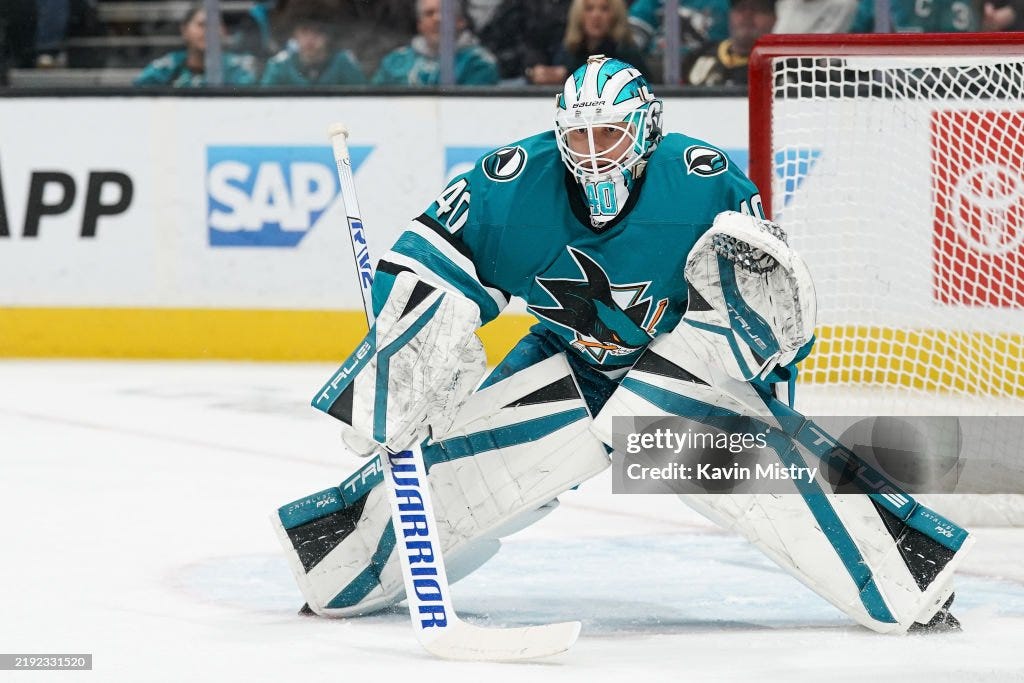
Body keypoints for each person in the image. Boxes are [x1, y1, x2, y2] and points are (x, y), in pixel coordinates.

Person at [275, 56, 970, 635]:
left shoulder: (702, 182)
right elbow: (429, 264)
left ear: (645, 130)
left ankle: (911, 577)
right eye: (578, 138)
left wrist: (757, 404)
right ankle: (339, 558)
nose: (592, 153)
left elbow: (761, 315)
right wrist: (400, 374)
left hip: (673, 365)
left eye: (609, 135)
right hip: (567, 357)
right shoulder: (512, 185)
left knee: (772, 485)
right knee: (464, 474)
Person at [372, 0, 498, 86]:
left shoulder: (478, 63)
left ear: (460, 21)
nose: (438, 19)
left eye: (445, 12)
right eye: (429, 13)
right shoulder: (395, 61)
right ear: (419, 25)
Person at [134, 4, 256, 87]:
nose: (208, 31)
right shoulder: (168, 67)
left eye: (214, 24)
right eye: (201, 25)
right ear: (184, 30)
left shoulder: (238, 69)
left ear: (224, 31)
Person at [261, 0, 366, 86]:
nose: (310, 39)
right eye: (304, 31)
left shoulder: (344, 64)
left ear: (328, 35)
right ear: (294, 34)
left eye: (318, 31)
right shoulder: (279, 66)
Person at [681, 0, 775, 86]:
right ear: (729, 15)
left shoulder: (782, 68)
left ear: (774, 19)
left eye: (758, 9)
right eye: (740, 8)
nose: (747, 15)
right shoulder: (698, 56)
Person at [479, 0, 572, 84]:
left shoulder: (579, 6)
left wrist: (568, 72)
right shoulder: (514, 6)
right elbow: (491, 48)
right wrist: (529, 70)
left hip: (573, 78)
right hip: (519, 76)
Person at [556, 0, 649, 79]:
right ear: (578, 15)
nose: (596, 15)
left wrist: (566, 75)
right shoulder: (569, 50)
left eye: (605, 9)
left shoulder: (627, 54)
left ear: (616, 15)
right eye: (589, 8)